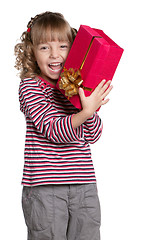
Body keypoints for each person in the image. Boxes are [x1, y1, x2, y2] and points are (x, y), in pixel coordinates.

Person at [14, 11, 113, 240]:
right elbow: (54, 129)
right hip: (45, 187)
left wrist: (88, 109)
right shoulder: (31, 87)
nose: (55, 54)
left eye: (63, 46)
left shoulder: (76, 85)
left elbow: (93, 134)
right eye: (44, 48)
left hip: (84, 184)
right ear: (32, 53)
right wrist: (86, 111)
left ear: (74, 49)